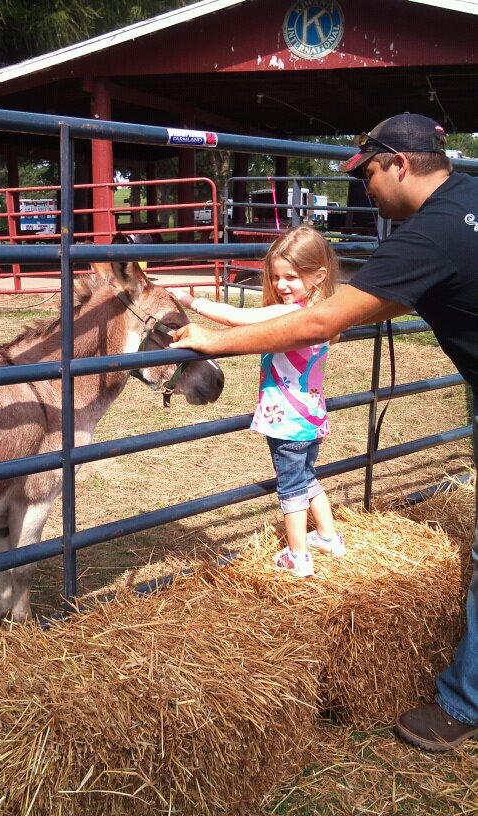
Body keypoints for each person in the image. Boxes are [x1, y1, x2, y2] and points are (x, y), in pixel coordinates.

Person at [171, 113, 478, 751]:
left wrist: (215, 340)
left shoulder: (431, 233)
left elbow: (315, 324)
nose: (360, 186)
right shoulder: (471, 196)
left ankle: (465, 701)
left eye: (365, 171)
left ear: (399, 163)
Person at [172, 226, 345, 578]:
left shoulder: (291, 314)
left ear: (318, 276)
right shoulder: (327, 313)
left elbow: (239, 318)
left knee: (291, 486)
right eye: (276, 277)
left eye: (291, 277)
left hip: (287, 420)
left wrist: (192, 302)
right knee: (307, 477)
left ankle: (298, 556)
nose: (281, 285)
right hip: (312, 417)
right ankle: (328, 537)